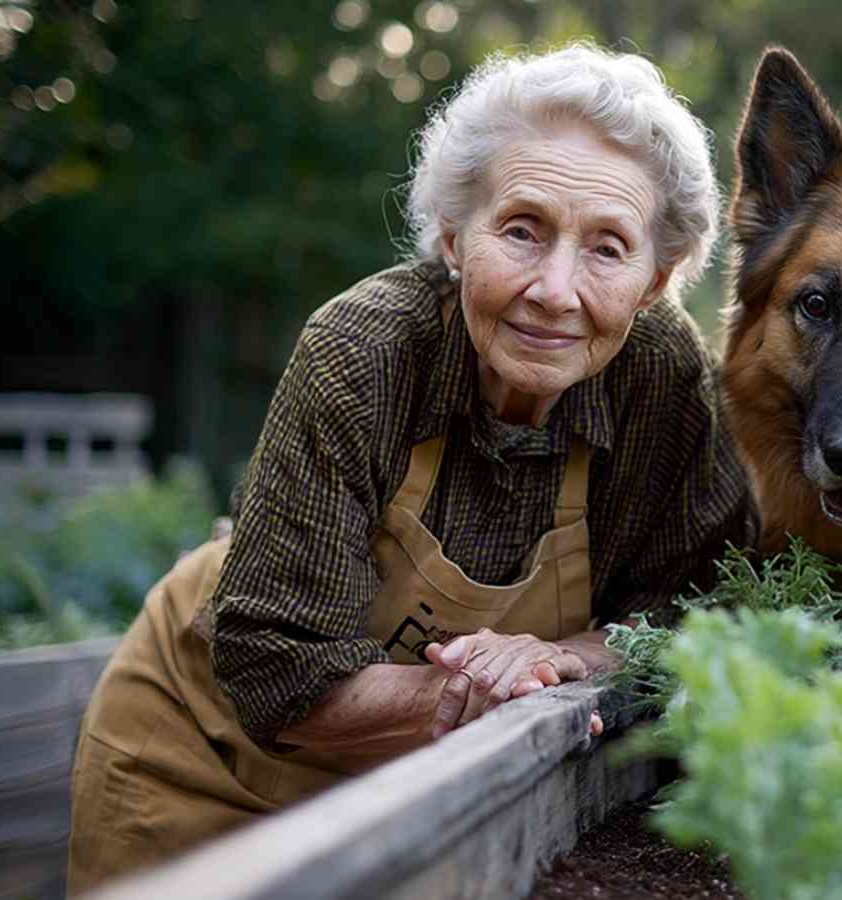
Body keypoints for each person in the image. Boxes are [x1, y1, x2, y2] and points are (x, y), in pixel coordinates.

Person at [66, 44, 745, 893]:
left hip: (426, 794)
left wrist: (567, 656)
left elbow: (695, 610)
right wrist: (480, 694)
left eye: (608, 248)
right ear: (455, 238)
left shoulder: (663, 381)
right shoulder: (366, 353)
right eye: (523, 230)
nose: (555, 289)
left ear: (656, 281)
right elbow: (277, 668)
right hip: (201, 759)